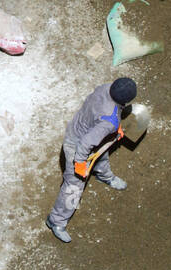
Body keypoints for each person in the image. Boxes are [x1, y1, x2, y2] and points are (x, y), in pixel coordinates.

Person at [45, 77, 137, 243]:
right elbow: (86, 143)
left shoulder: (106, 87)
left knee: (101, 156)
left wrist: (115, 130)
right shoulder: (109, 122)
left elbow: (103, 114)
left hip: (83, 130)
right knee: (74, 187)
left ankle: (104, 176)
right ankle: (56, 221)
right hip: (77, 146)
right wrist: (79, 163)